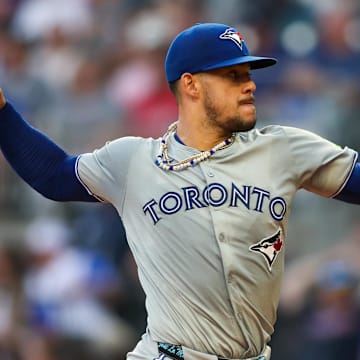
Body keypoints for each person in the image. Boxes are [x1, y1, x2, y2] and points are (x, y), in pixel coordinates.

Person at [0, 22, 359, 360]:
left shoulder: (283, 149)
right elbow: (52, 175)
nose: (249, 85)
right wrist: (2, 113)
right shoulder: (133, 161)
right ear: (191, 85)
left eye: (248, 74)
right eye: (232, 75)